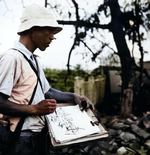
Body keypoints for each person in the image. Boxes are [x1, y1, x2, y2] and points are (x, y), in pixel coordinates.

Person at [0, 4, 94, 155]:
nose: (52, 36)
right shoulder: (12, 58)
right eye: (49, 30)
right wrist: (35, 109)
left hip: (38, 136)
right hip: (20, 137)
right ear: (33, 28)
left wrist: (74, 96)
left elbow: (47, 91)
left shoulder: (33, 60)